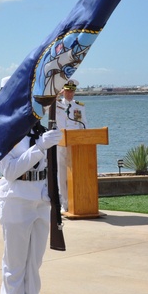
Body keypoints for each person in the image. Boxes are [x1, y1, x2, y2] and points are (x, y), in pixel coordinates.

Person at [0, 77, 63, 294]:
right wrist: (39, 148)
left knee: (34, 265)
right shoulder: (4, 128)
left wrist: (55, 196)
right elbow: (9, 171)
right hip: (17, 197)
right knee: (15, 264)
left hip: (40, 197)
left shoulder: (39, 126)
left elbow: (52, 165)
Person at [54, 79, 86, 212]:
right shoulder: (56, 104)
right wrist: (57, 93)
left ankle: (77, 200)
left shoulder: (79, 106)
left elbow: (84, 124)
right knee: (61, 173)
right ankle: (64, 203)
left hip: (75, 144)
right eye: (67, 91)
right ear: (63, 91)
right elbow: (46, 101)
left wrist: (85, 140)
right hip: (61, 143)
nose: (70, 94)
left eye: (72, 91)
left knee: (76, 172)